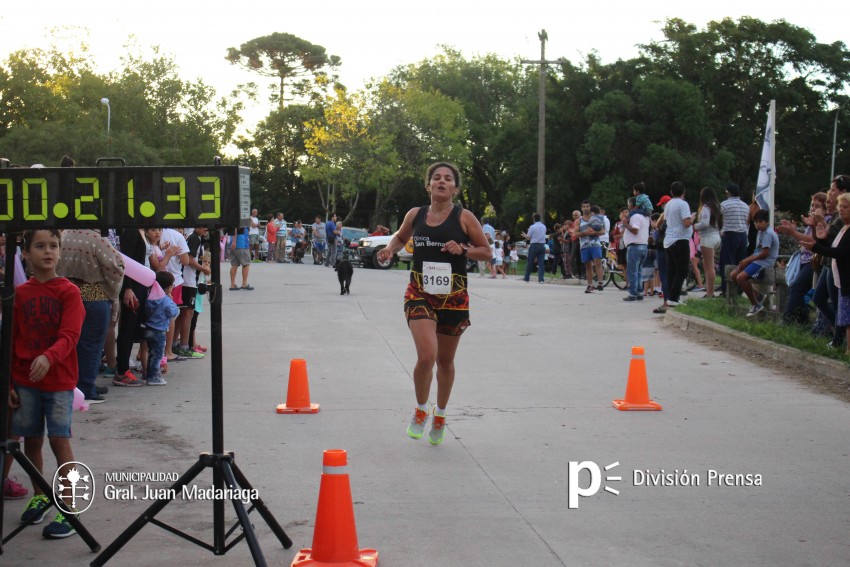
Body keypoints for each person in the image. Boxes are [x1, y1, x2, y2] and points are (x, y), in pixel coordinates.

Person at [375, 162, 491, 446]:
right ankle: (420, 409)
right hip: (420, 293)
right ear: (428, 185)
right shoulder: (416, 215)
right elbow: (402, 237)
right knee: (427, 355)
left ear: (455, 188)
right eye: (436, 178)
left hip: (454, 297)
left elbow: (486, 251)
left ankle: (440, 414)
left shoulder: (465, 218)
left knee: (445, 361)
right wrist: (390, 249)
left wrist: (463, 248)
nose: (441, 182)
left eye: (447, 179)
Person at [11, 229, 84, 538]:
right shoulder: (20, 294)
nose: (48, 251)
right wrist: (10, 384)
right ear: (25, 253)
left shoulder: (68, 291)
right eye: (39, 246)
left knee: (59, 440)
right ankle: (40, 496)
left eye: (53, 245)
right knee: (32, 440)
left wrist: (49, 357)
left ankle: (69, 507)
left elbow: (70, 335)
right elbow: (12, 341)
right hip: (25, 381)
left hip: (58, 381)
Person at [56, 229, 125, 403]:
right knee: (92, 345)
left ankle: (79, 384)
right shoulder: (96, 239)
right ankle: (86, 387)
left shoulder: (63, 236)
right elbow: (116, 266)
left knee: (73, 344)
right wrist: (109, 289)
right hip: (95, 297)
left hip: (68, 296)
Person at [799, 192, 850, 353]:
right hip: (839, 276)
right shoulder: (844, 228)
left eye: (845, 207)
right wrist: (820, 238)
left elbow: (841, 252)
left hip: (846, 276)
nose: (841, 210)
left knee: (846, 313)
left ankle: (841, 343)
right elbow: (831, 246)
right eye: (840, 206)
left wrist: (815, 247)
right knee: (843, 313)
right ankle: (845, 345)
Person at [730, 209, 779, 317]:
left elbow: (764, 253)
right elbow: (757, 252)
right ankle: (758, 296)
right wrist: (745, 261)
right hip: (757, 260)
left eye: (760, 221)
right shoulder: (760, 232)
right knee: (734, 275)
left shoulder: (768, 234)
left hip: (764, 263)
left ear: (767, 222)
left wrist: (748, 260)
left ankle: (755, 304)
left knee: (740, 278)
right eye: (756, 222)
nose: (758, 224)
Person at [175, 228, 210, 358]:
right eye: (203, 226)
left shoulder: (196, 238)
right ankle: (184, 346)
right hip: (188, 281)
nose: (206, 228)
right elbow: (189, 260)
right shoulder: (194, 238)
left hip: (190, 280)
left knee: (185, 312)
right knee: (188, 312)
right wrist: (203, 269)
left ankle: (176, 343)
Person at [143, 271, 180, 386]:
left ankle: (148, 374)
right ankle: (153, 377)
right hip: (159, 331)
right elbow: (173, 313)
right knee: (157, 355)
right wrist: (172, 301)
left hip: (148, 328)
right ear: (168, 287)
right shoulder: (165, 300)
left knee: (151, 353)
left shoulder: (150, 297)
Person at [662, 181, 694, 307]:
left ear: (671, 192)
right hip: (680, 239)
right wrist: (692, 218)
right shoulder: (683, 204)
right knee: (682, 270)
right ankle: (674, 297)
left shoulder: (669, 204)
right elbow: (686, 222)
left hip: (669, 240)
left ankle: (671, 297)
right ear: (683, 192)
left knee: (672, 270)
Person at [719, 183, 751, 296]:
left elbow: (718, 218)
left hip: (730, 235)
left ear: (728, 192)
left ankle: (727, 290)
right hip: (743, 235)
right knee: (740, 263)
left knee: (727, 263)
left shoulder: (724, 205)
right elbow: (747, 222)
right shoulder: (746, 206)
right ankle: (739, 289)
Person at [693, 187, 723, 298]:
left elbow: (704, 223)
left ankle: (710, 293)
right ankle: (709, 291)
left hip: (707, 238)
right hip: (716, 236)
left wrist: (694, 226)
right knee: (707, 264)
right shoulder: (717, 207)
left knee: (709, 266)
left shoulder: (706, 207)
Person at [622, 197, 650, 301]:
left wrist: (625, 224)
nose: (628, 208)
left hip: (635, 246)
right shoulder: (645, 216)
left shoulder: (635, 216)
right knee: (639, 270)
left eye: (629, 205)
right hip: (643, 245)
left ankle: (632, 293)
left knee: (632, 271)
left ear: (634, 206)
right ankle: (639, 291)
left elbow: (635, 230)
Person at [576, 201, 604, 293]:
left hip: (595, 244)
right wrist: (584, 233)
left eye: (587, 206)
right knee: (588, 266)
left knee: (597, 262)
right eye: (584, 207)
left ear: (590, 207)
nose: (586, 208)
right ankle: (590, 285)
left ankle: (600, 282)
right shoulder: (578, 220)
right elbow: (575, 234)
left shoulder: (595, 218)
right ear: (581, 208)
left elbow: (603, 231)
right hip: (584, 245)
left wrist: (595, 233)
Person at [522, 213, 547, 283]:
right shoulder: (544, 226)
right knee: (541, 263)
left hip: (534, 245)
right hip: (542, 245)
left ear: (534, 219)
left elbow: (529, 237)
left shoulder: (532, 227)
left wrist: (524, 235)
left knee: (530, 262)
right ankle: (541, 279)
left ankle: (527, 278)